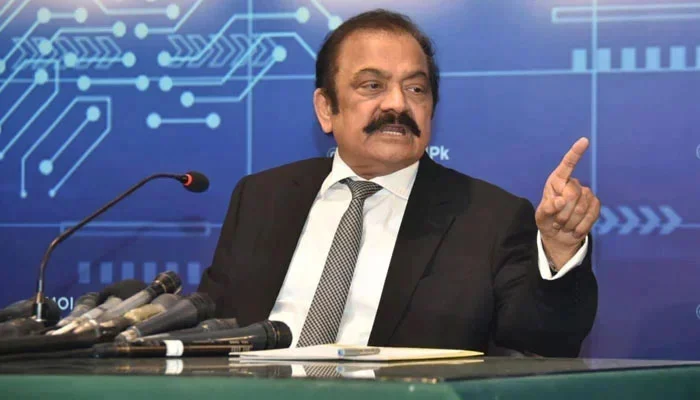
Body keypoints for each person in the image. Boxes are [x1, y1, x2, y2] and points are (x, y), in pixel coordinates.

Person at [198, 9, 599, 357]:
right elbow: (209, 329)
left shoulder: (489, 218)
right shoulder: (261, 197)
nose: (397, 104)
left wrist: (559, 250)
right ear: (326, 108)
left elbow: (543, 342)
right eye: (372, 85)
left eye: (415, 89)